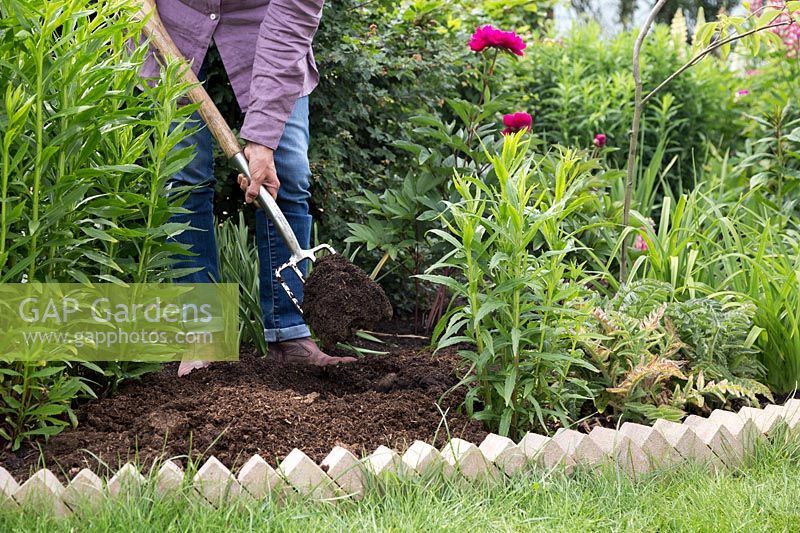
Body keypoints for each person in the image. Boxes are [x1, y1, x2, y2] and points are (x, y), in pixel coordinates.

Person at [140, 0, 356, 375]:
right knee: (183, 177)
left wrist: (263, 138)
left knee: (286, 171)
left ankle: (290, 333)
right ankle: (203, 335)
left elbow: (294, 12)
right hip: (167, 16)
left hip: (265, 17)